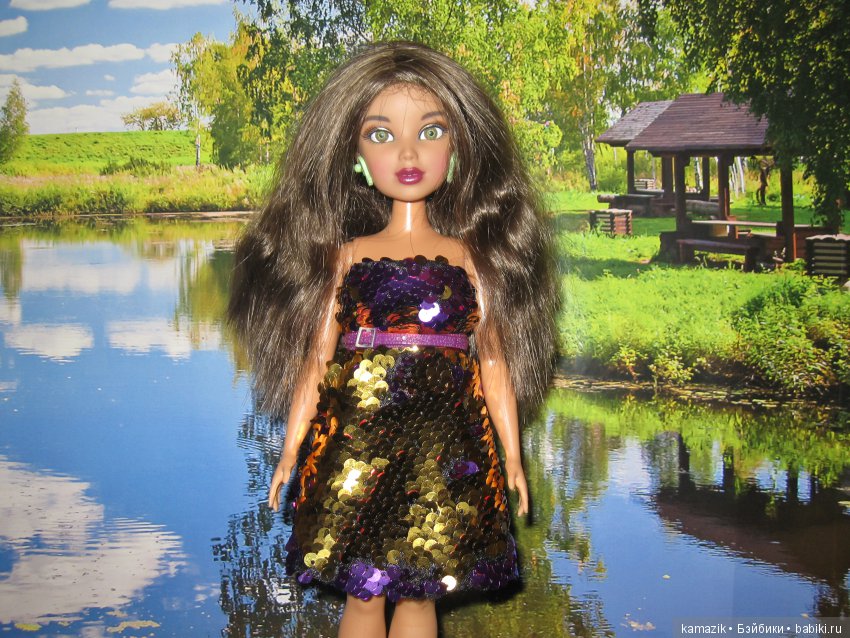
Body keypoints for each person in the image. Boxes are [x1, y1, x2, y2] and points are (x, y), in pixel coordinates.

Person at [228, 41, 558, 638]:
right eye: (381, 135)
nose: (408, 153)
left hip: (442, 445)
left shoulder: (469, 259)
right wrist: (290, 449)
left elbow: (494, 361)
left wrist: (512, 455)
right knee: (364, 592)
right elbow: (317, 361)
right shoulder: (349, 256)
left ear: (456, 148)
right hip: (359, 438)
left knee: (419, 593)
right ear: (356, 155)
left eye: (430, 131)